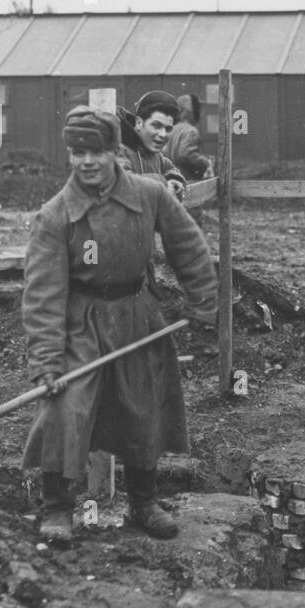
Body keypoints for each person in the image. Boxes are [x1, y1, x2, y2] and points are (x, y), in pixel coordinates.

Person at [22, 106, 218, 543]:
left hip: (136, 315)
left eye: (96, 151)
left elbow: (188, 245)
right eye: (77, 152)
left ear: (114, 152)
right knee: (65, 407)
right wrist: (47, 361)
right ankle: (56, 509)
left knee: (142, 405)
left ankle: (143, 502)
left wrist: (203, 300)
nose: (87, 162)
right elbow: (42, 295)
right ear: (69, 155)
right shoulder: (55, 216)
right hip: (81, 322)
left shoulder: (149, 195)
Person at [138, 90, 214, 183]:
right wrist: (206, 161)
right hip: (186, 180)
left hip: (172, 179)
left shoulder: (172, 128)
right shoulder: (190, 131)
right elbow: (185, 155)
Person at [118, 101, 188, 202]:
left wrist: (173, 178)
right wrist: (163, 183)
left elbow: (170, 168)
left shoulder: (155, 153)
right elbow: (124, 182)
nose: (163, 134)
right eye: (156, 126)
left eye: (168, 129)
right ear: (138, 123)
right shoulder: (120, 149)